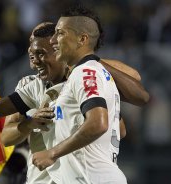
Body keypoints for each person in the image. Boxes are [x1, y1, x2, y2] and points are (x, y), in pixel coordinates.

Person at [0, 20, 148, 184]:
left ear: (60, 48)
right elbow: (1, 132)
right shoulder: (32, 85)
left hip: (85, 175)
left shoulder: (87, 79)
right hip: (43, 178)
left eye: (41, 52)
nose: (34, 59)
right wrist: (29, 123)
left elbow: (119, 126)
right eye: (31, 52)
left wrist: (87, 60)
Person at [31, 5, 138, 184]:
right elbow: (120, 129)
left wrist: (52, 153)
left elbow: (99, 123)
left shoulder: (85, 72)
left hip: (91, 179)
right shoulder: (95, 73)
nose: (52, 40)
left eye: (60, 33)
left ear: (82, 39)